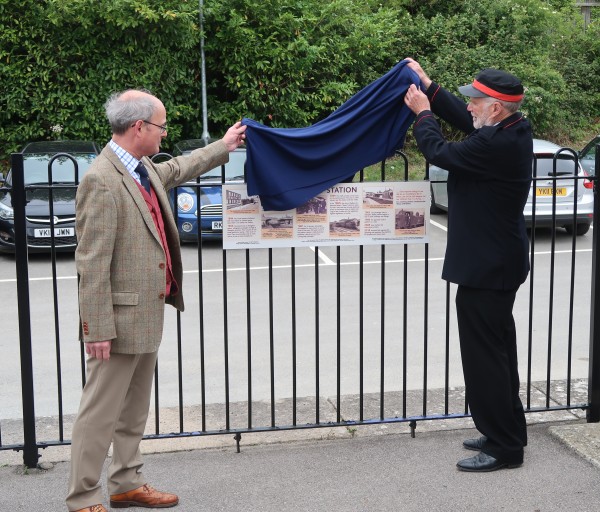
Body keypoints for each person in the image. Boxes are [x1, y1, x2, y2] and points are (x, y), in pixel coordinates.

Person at [66, 89, 246, 512]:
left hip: (146, 316)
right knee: (99, 415)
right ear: (138, 128)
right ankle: (83, 497)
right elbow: (90, 263)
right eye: (161, 126)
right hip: (117, 323)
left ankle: (126, 482)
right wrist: (96, 328)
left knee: (132, 411)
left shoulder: (141, 167)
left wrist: (224, 146)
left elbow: (179, 168)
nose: (165, 134)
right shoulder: (101, 179)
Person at [404, 59, 532, 472]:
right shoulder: (512, 128)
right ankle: (504, 429)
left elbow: (439, 151)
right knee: (498, 352)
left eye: (476, 100)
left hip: (488, 268)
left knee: (485, 358)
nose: (470, 105)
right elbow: (467, 119)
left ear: (496, 108)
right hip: (496, 263)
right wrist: (430, 86)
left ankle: (504, 447)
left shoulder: (495, 145)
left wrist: (423, 111)